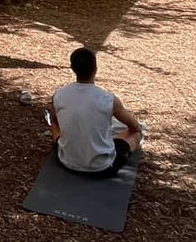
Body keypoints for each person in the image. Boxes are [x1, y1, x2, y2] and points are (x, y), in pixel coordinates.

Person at [50, 47, 143, 178]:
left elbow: (55, 121)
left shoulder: (59, 95)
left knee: (55, 124)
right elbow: (134, 126)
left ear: (73, 69)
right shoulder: (108, 100)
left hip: (66, 160)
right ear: (95, 69)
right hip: (101, 167)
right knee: (136, 134)